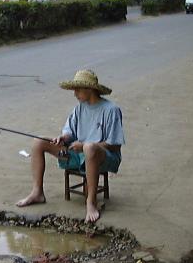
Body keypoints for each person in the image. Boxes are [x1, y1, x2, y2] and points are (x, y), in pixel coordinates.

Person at [16, 70, 125, 223]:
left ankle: (91, 202)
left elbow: (114, 145)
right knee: (39, 141)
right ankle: (37, 192)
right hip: (78, 154)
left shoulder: (111, 110)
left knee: (89, 148)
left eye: (78, 89)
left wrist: (85, 146)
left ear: (90, 89)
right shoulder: (79, 108)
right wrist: (62, 138)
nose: (75, 94)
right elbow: (69, 132)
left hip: (104, 156)